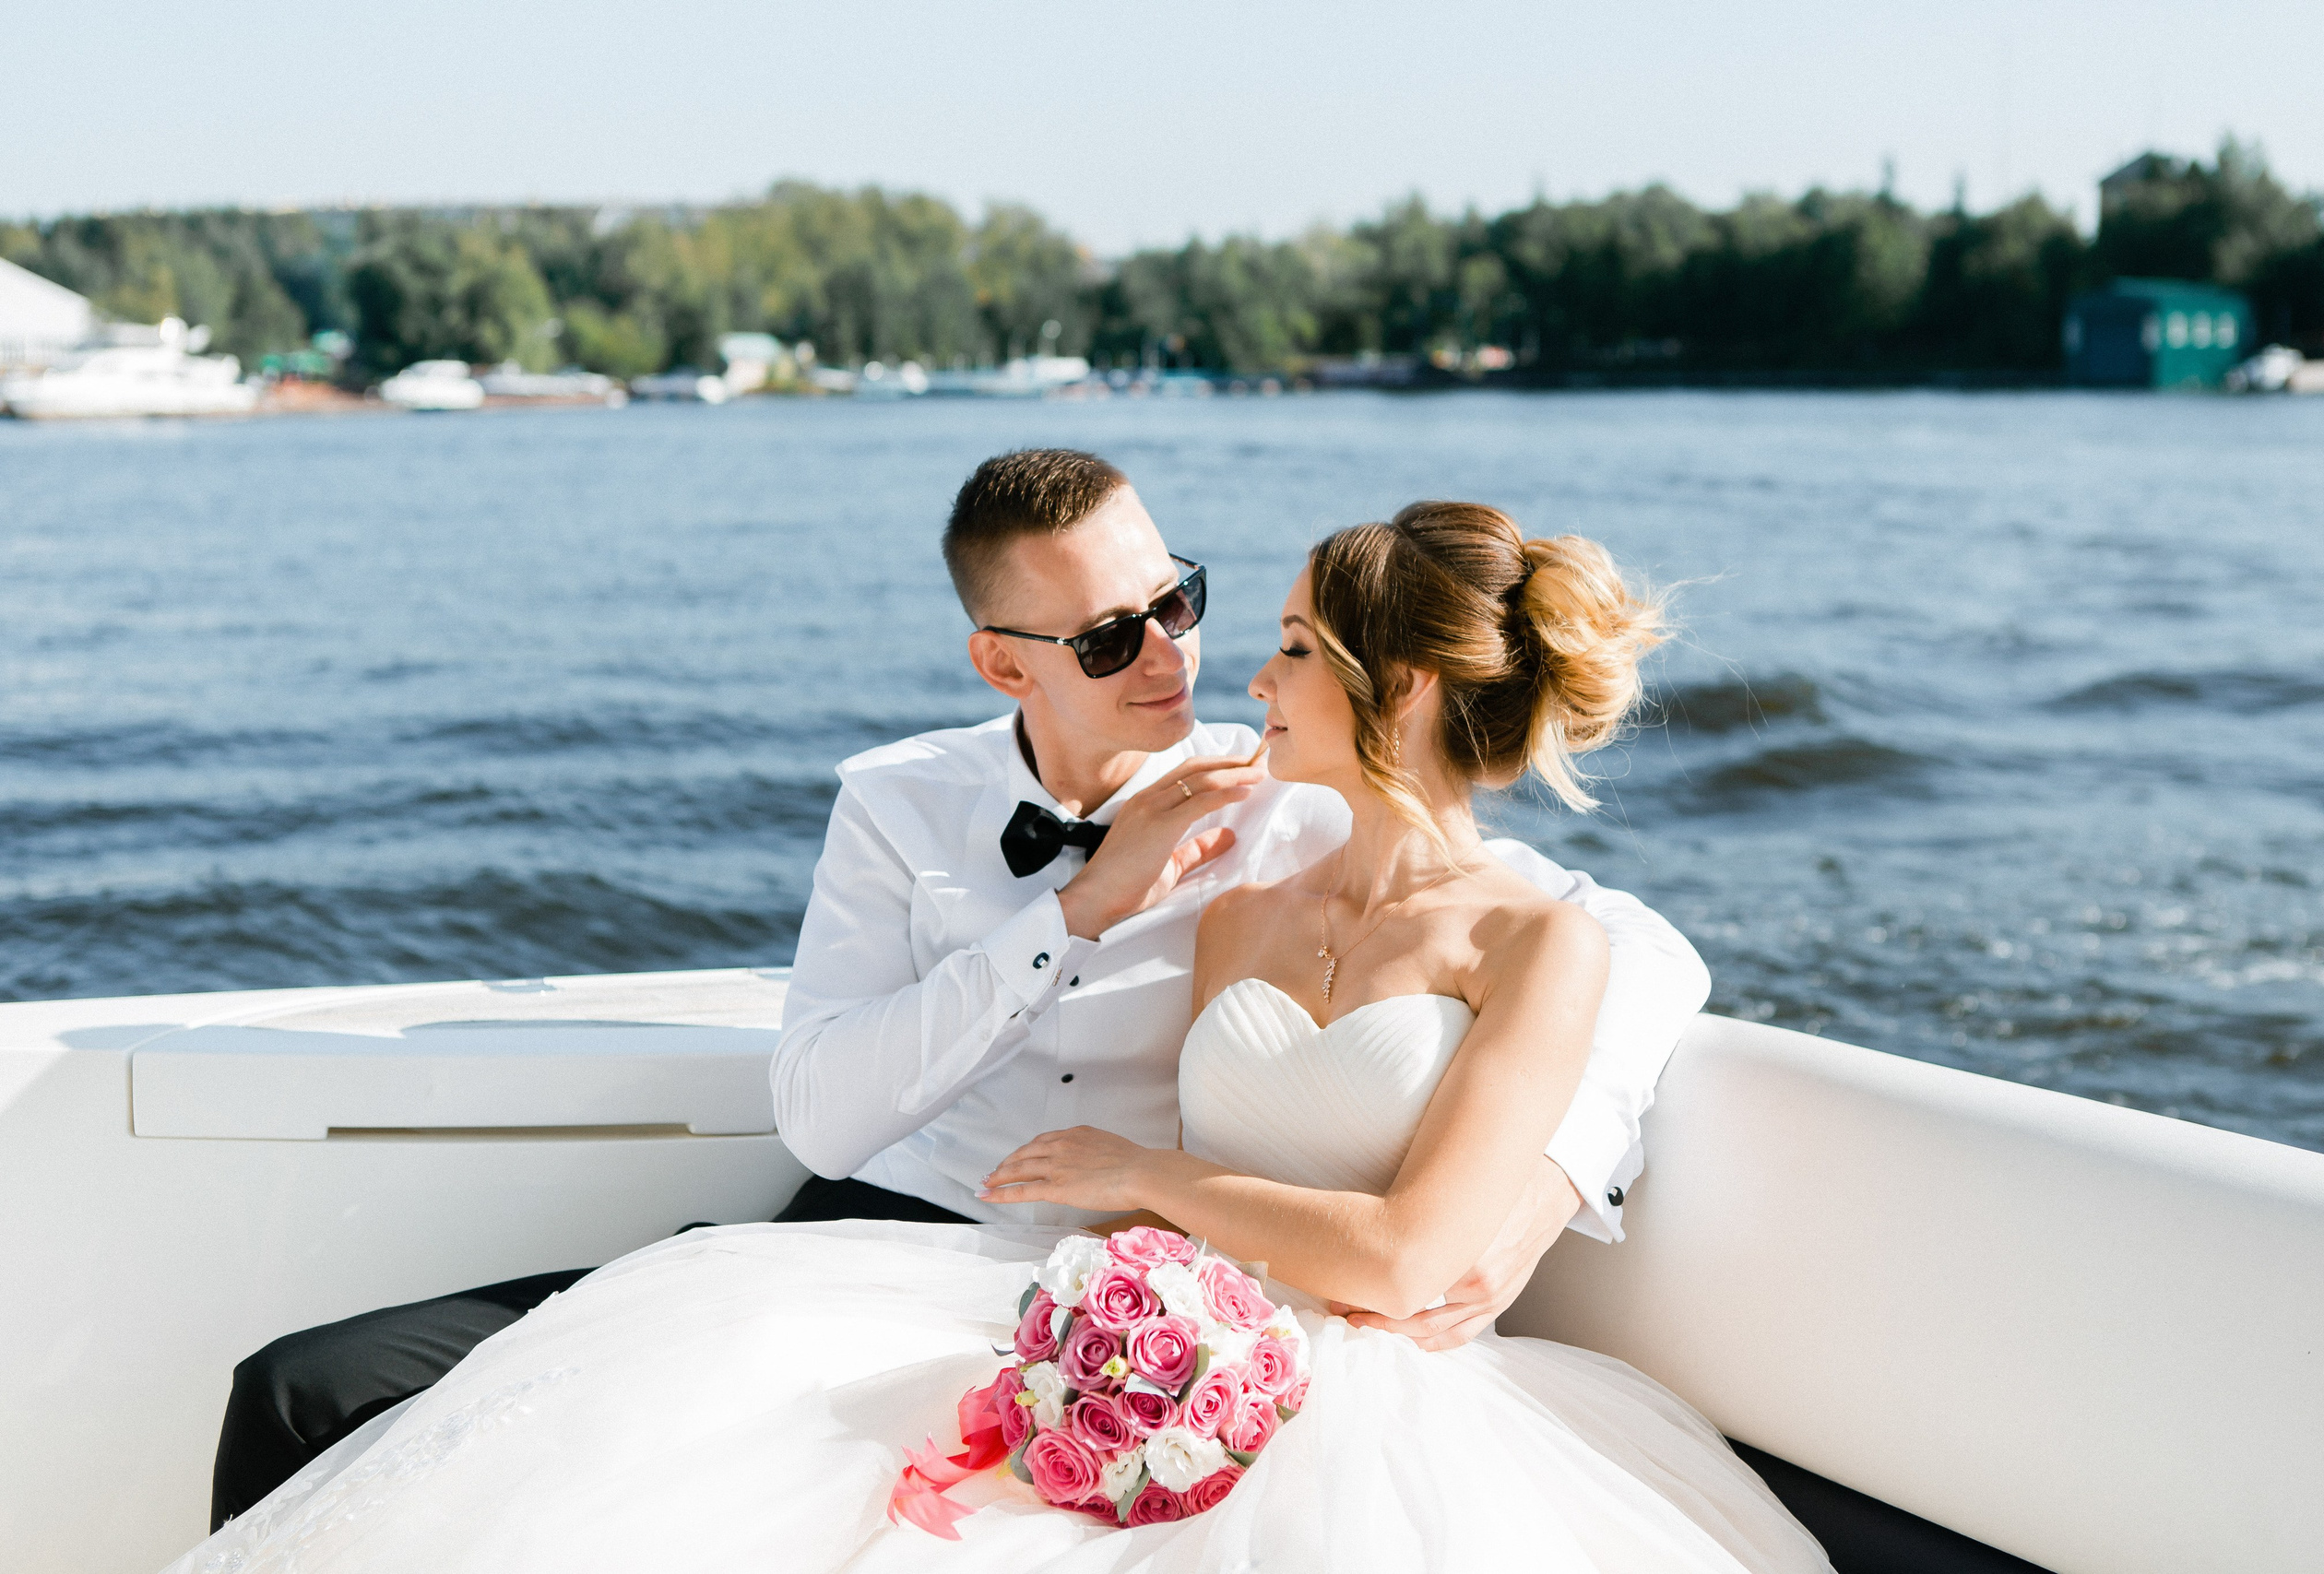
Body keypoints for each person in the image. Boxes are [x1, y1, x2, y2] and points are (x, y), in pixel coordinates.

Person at [169, 496, 1827, 1571]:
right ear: (1005, 660)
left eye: (1192, 606)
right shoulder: (916, 809)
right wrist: (1079, 915)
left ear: (1386, 687)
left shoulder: (1302, 841)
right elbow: (822, 1120)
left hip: (1194, 1304)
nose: (1194, 659)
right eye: (1117, 638)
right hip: (929, 1251)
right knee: (365, 1422)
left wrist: (1540, 1175)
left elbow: (1620, 949)